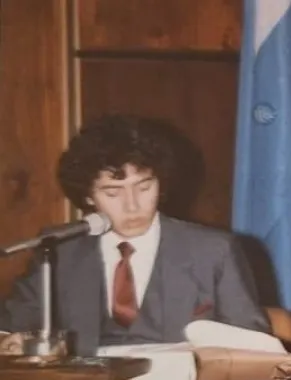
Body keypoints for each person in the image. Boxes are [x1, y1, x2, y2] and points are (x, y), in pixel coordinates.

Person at [0, 114, 270, 355]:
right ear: (88, 196)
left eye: (143, 187)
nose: (132, 205)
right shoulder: (59, 250)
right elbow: (10, 326)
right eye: (112, 192)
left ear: (161, 183)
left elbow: (253, 347)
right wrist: (13, 341)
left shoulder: (214, 251)